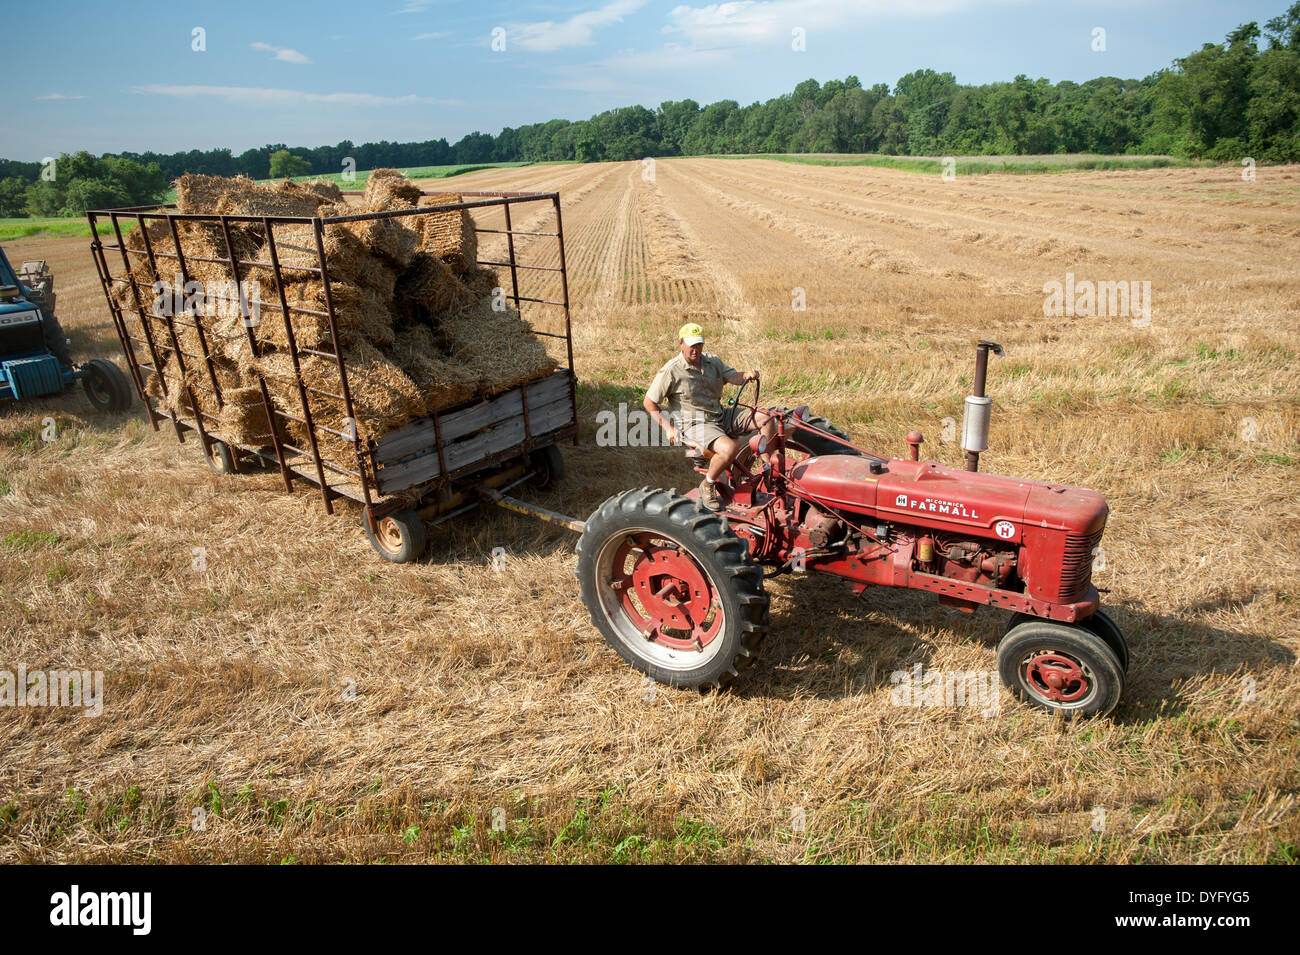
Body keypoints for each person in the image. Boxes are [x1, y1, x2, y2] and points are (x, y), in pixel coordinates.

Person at [643, 322, 775, 510]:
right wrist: (668, 427)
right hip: (695, 424)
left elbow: (733, 377)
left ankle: (768, 469)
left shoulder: (712, 362)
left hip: (720, 415)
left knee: (766, 418)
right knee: (730, 448)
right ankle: (708, 484)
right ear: (681, 343)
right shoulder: (671, 371)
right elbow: (649, 402)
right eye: (691, 345)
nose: (696, 349)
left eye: (699, 344)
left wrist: (746, 374)